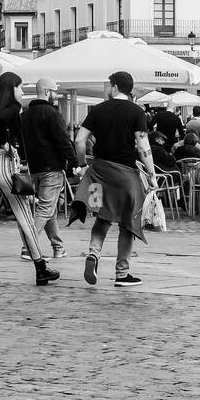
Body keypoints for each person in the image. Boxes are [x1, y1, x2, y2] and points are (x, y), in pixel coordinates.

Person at [73, 71, 155, 287]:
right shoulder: (137, 112)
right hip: (125, 177)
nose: (107, 89)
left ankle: (93, 254)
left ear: (115, 87)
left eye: (109, 86)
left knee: (101, 217)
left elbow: (79, 141)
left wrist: (82, 166)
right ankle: (122, 274)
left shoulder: (97, 110)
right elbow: (143, 145)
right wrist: (152, 174)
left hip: (96, 176)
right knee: (128, 223)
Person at [0, 72, 49, 288]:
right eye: (20, 88)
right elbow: (18, 136)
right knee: (25, 217)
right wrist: (6, 144)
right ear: (11, 89)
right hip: (3, 166)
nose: (22, 92)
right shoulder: (13, 109)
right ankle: (40, 267)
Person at [18, 77, 78, 278]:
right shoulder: (52, 113)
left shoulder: (24, 115)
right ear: (46, 91)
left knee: (48, 208)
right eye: (54, 91)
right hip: (52, 167)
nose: (57, 94)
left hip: (34, 168)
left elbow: (21, 141)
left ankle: (58, 246)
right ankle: (29, 247)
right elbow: (62, 140)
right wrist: (75, 162)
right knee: (45, 208)